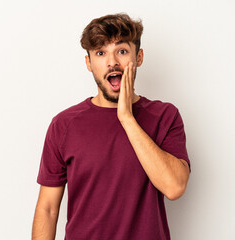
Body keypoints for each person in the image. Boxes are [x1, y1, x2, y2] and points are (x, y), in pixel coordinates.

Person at [32, 13, 190, 240]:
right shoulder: (64, 125)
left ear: (139, 57)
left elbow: (174, 187)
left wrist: (126, 117)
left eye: (122, 51)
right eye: (100, 53)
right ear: (88, 63)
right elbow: (47, 209)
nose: (112, 62)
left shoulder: (165, 116)